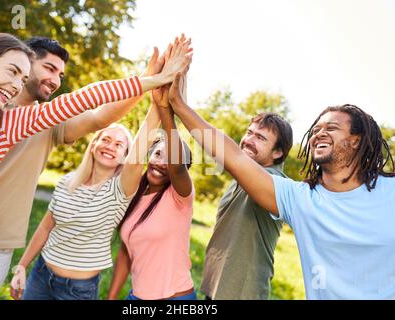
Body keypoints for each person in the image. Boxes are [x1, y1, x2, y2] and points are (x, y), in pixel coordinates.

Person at [0, 32, 192, 299]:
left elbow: (85, 102)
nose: (17, 83)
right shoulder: (64, 181)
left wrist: (151, 81)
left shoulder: (11, 124)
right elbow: (47, 224)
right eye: (15, 72)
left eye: (22, 77)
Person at [168, 72, 395, 299]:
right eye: (316, 130)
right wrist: (178, 105)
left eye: (331, 128)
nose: (319, 134)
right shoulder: (300, 199)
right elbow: (234, 157)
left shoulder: (390, 191)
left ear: (356, 139)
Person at [108, 69, 196, 301]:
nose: (162, 163)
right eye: (158, 153)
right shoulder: (134, 193)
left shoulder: (180, 198)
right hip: (137, 297)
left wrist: (167, 108)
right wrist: (111, 296)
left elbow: (177, 164)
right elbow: (126, 252)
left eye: (171, 159)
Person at [201, 112, 293, 300]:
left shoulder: (275, 183)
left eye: (260, 137)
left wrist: (178, 104)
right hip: (217, 288)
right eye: (249, 132)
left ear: (278, 153)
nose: (249, 140)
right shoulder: (240, 176)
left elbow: (222, 150)